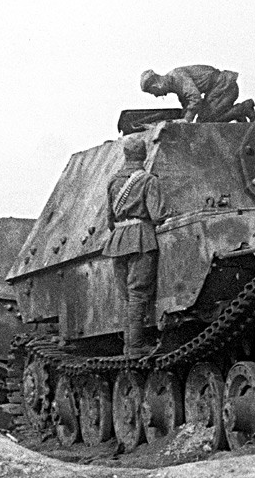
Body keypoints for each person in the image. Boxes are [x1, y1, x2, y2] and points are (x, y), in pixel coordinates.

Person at [102, 137, 163, 356]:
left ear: (125, 155)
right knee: (138, 292)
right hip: (140, 238)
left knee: (126, 296)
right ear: (144, 155)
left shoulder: (113, 181)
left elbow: (109, 219)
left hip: (118, 240)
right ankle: (136, 346)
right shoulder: (148, 180)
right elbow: (156, 216)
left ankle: (129, 344)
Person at [139, 65, 255, 123]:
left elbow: (195, 98)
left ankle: (242, 109)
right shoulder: (174, 83)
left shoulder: (177, 77)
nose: (156, 96)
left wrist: (186, 119)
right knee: (205, 117)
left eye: (153, 92)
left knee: (205, 121)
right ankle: (235, 113)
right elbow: (187, 104)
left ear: (156, 86)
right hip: (219, 90)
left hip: (225, 87)